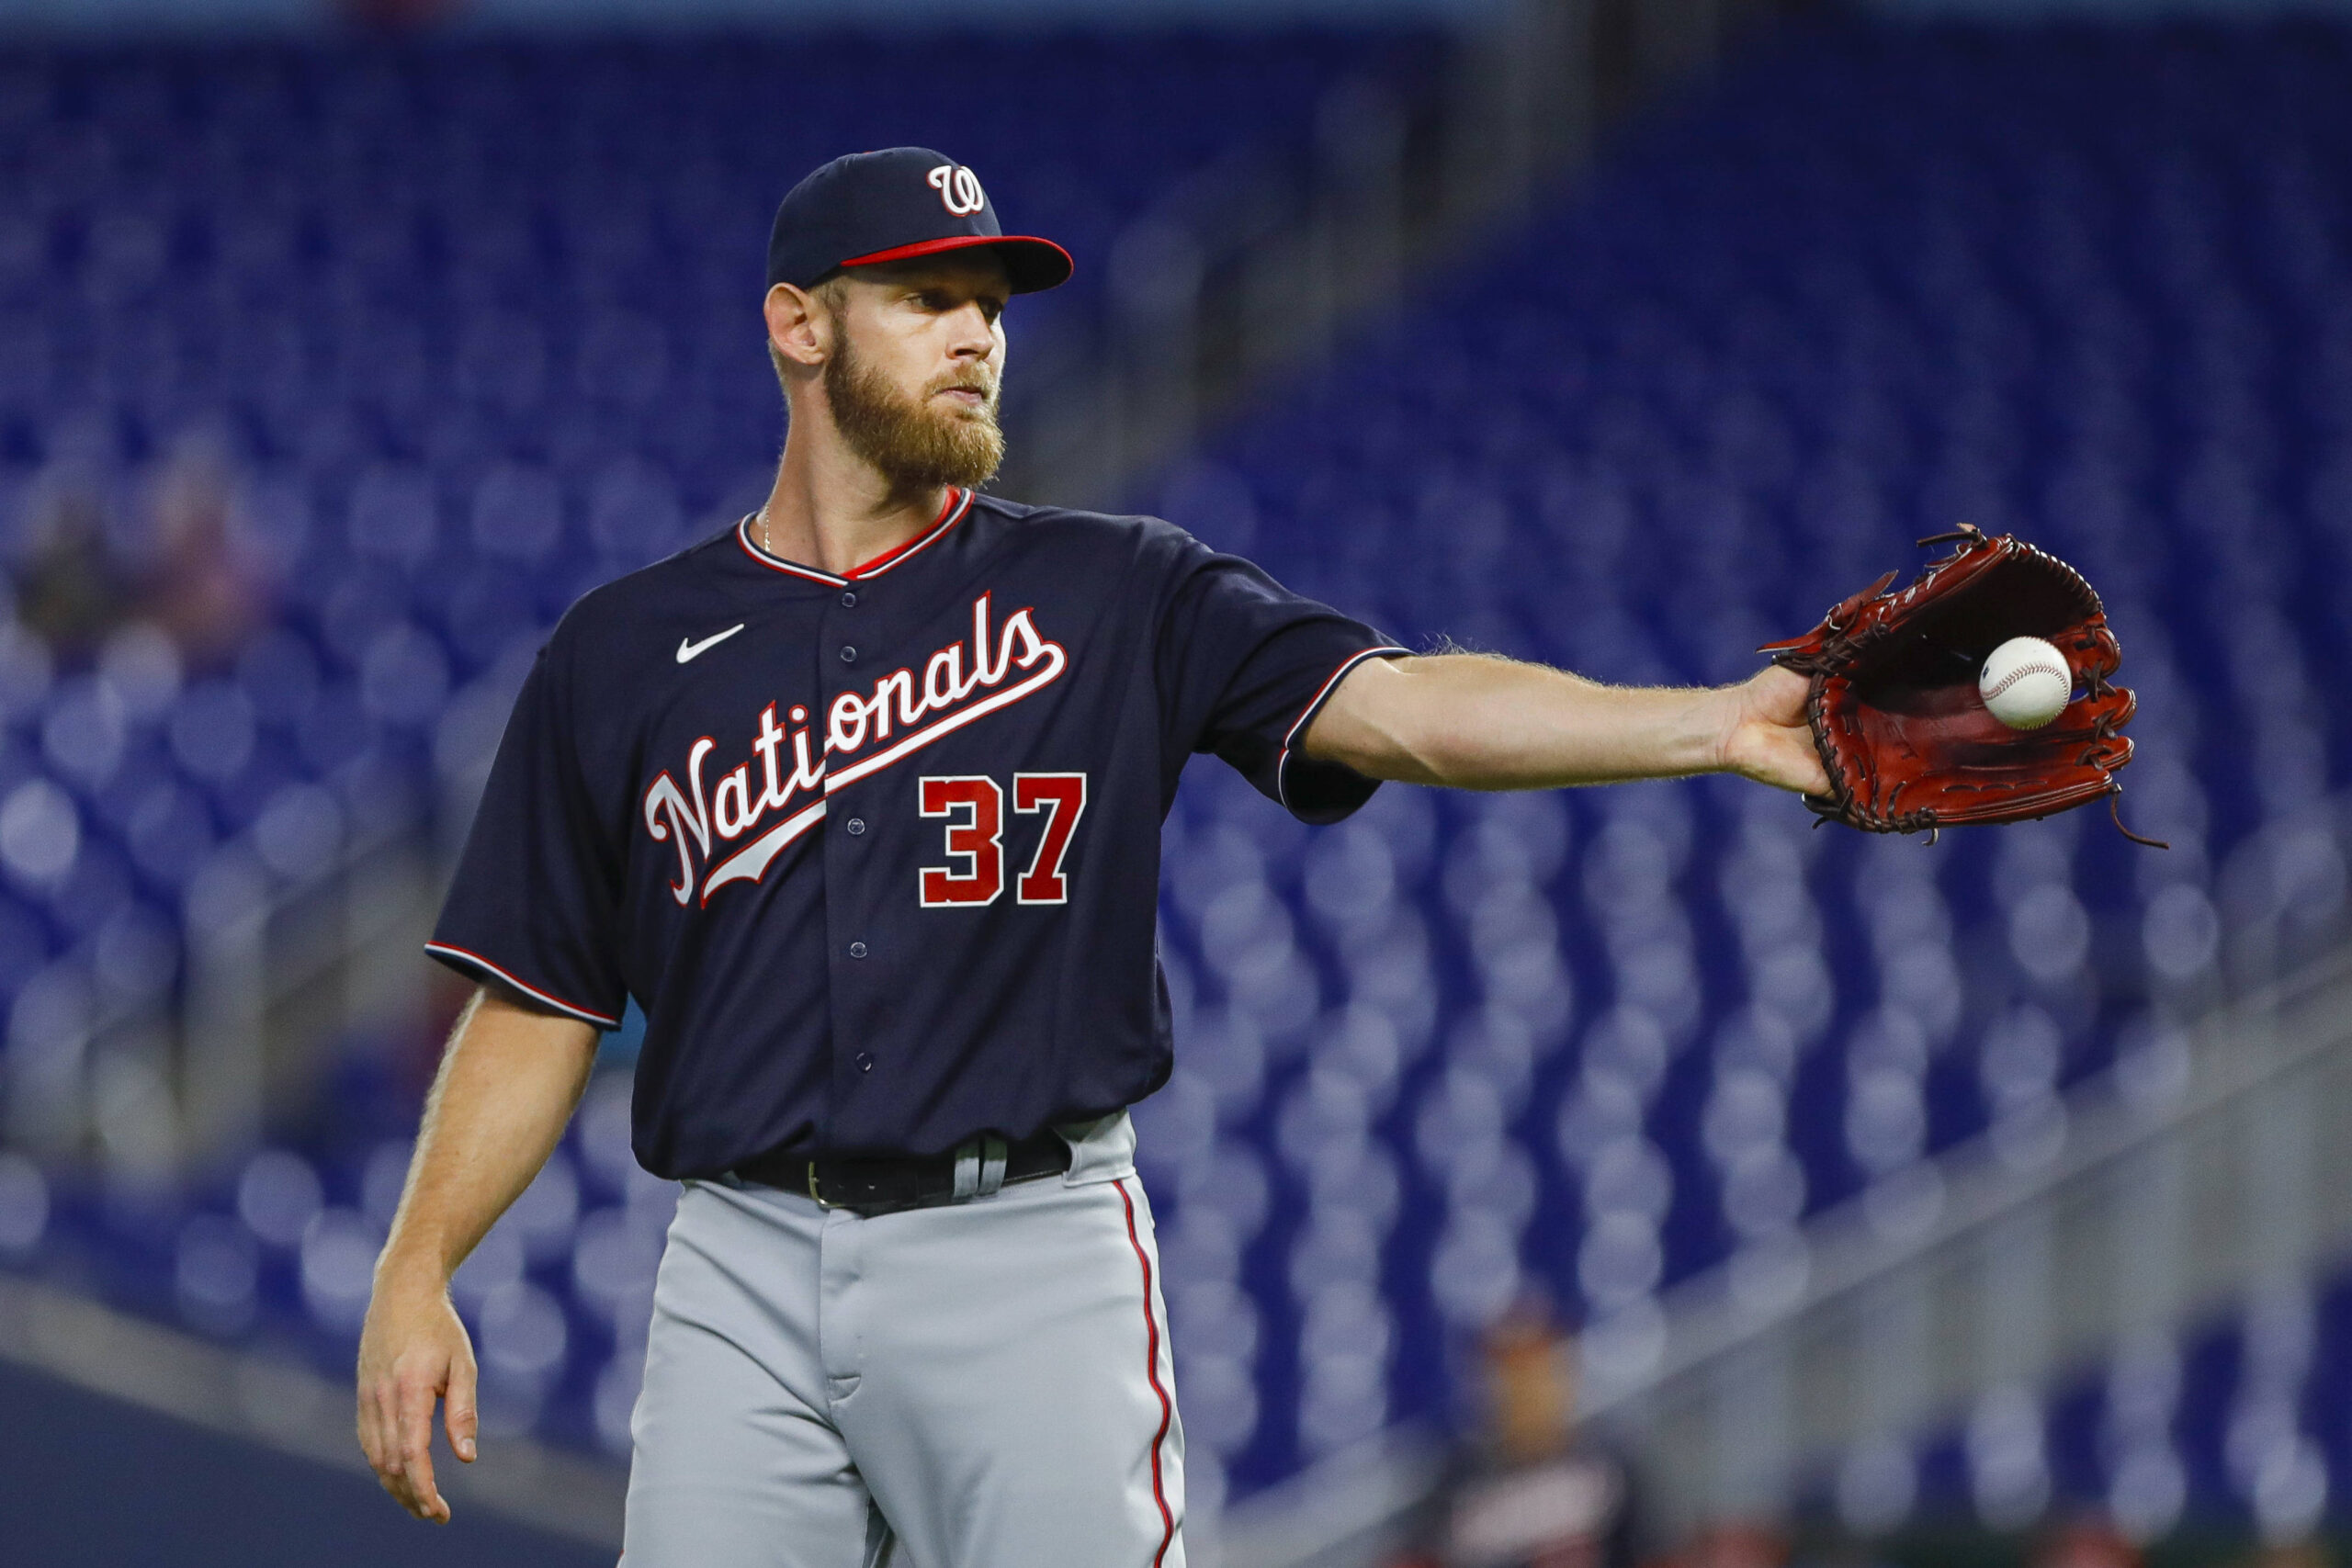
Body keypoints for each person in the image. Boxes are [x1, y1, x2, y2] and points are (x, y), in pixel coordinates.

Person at [356, 146, 1826, 1566]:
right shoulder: (624, 650)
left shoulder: (1118, 588)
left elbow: (1406, 707)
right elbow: (538, 998)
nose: (975, 336)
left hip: (1025, 1251)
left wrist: (1711, 722)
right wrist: (418, 1266)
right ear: (798, 324)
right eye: (925, 298)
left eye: (990, 305)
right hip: (739, 1256)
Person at [1395, 1303, 1641, 1568]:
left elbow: (1651, 1548)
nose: (1528, 1390)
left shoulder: (1606, 1462)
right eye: (1512, 1373)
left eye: (1539, 1372)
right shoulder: (1462, 1481)